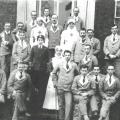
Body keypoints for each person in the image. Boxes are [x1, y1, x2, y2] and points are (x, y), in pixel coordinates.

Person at [52, 50, 78, 120]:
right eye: (66, 55)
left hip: (69, 89)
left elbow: (78, 75)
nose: (67, 56)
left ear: (70, 56)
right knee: (61, 105)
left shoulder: (74, 65)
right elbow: (53, 73)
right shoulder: (59, 64)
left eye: (68, 55)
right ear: (64, 56)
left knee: (68, 105)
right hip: (60, 87)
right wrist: (55, 83)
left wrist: (74, 84)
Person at [30, 35, 49, 109]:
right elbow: (31, 59)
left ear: (43, 41)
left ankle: (40, 104)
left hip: (42, 71)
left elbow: (48, 60)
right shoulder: (34, 48)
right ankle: (33, 103)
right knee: (34, 86)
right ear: (37, 40)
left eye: (41, 40)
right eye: (39, 40)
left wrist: (46, 68)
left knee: (41, 86)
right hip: (34, 70)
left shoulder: (46, 49)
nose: (40, 41)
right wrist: (31, 66)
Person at [43, 46, 63, 110]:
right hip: (53, 76)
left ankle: (58, 106)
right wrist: (52, 73)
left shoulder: (63, 59)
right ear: (55, 51)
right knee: (51, 90)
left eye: (60, 51)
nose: (59, 52)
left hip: (61, 76)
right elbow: (49, 68)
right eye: (57, 51)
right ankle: (49, 106)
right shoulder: (52, 59)